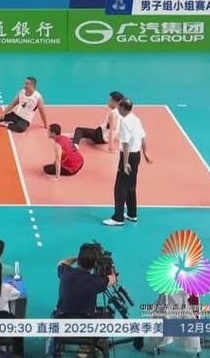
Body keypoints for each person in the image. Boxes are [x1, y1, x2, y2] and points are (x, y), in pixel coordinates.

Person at [103, 98, 153, 226]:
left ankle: (118, 218)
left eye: (119, 107)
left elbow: (125, 144)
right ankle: (132, 214)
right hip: (136, 156)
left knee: (120, 187)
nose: (118, 109)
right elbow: (143, 136)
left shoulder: (124, 122)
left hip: (128, 157)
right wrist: (145, 153)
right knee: (131, 186)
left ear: (124, 108)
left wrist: (125, 163)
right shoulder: (136, 119)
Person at [54, 244, 116, 317]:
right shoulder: (96, 282)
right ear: (95, 265)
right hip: (85, 320)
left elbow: (62, 262)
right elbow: (113, 278)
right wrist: (110, 264)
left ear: (78, 261)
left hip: (61, 317)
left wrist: (79, 257)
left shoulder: (65, 272)